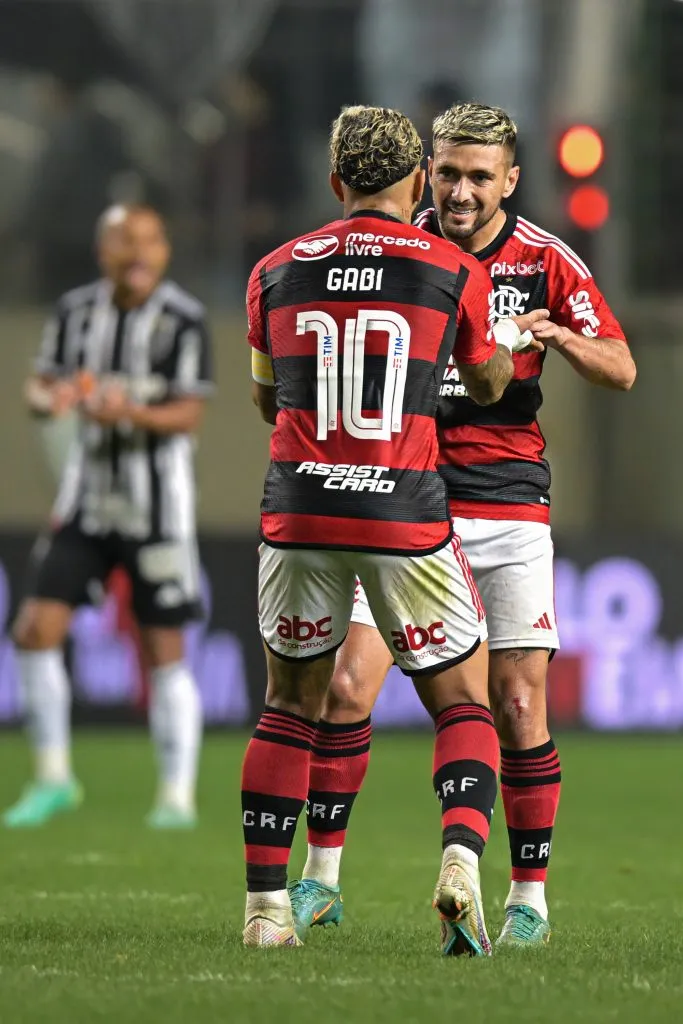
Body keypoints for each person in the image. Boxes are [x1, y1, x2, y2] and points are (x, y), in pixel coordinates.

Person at [289, 102, 636, 946]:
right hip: (408, 495)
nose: (460, 191)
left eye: (480, 176)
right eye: (446, 172)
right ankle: (320, 880)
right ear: (424, 172)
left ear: (510, 180)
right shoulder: (397, 249)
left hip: (508, 501)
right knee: (344, 686)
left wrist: (558, 335)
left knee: (518, 704)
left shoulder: (546, 261)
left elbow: (620, 367)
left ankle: (527, 901)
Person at [243, 103, 549, 952]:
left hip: (298, 505)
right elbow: (488, 385)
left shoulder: (273, 268)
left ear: (336, 181)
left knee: (288, 708)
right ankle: (458, 859)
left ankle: (268, 912)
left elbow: (266, 397)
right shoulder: (450, 266)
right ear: (418, 181)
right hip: (402, 510)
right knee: (463, 699)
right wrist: (497, 346)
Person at [4, 204, 213, 830]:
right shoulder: (76, 313)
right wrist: (53, 399)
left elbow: (187, 414)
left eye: (152, 240)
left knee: (163, 649)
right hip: (86, 504)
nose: (141, 253)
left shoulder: (183, 319)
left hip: (158, 513)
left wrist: (125, 412)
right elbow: (38, 389)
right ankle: (53, 778)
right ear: (105, 253)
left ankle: (176, 797)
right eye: (128, 242)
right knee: (34, 630)